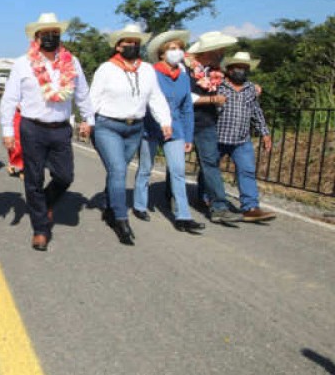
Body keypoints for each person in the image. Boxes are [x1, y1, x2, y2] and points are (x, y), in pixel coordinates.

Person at [0, 13, 94, 250]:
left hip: (61, 128)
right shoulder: (23, 64)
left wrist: (88, 119)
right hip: (32, 128)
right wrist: (7, 129)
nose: (51, 37)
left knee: (65, 177)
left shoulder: (72, 63)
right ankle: (40, 228)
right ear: (36, 37)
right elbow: (9, 99)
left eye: (55, 33)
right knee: (33, 179)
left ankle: (44, 203)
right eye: (45, 34)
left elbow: (82, 92)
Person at [89, 23, 172, 245]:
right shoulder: (106, 69)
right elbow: (93, 97)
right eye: (128, 42)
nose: (133, 46)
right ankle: (120, 218)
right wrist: (88, 122)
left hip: (135, 127)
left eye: (136, 43)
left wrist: (165, 121)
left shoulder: (146, 70)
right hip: (108, 126)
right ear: (118, 46)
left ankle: (108, 205)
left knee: (119, 170)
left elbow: (155, 97)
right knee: (117, 169)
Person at [133, 30, 205, 233]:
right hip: (151, 127)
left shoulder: (183, 77)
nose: (178, 52)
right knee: (145, 167)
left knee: (178, 172)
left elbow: (187, 108)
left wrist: (188, 135)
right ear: (162, 54)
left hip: (176, 129)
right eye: (172, 49)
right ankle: (140, 204)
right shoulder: (151, 73)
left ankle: (183, 216)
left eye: (180, 48)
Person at [185, 31, 243, 225]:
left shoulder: (216, 72)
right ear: (209, 51)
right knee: (176, 166)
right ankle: (174, 199)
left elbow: (234, 85)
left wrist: (254, 86)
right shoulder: (186, 70)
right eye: (220, 49)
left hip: (207, 123)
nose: (223, 53)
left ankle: (219, 206)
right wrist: (211, 99)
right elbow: (186, 97)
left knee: (210, 163)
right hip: (185, 121)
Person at [217, 52, 275, 222]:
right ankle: (207, 197)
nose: (241, 71)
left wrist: (264, 133)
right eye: (237, 68)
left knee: (247, 171)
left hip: (242, 139)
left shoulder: (251, 89)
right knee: (211, 170)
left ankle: (250, 207)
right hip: (217, 137)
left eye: (244, 68)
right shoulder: (218, 85)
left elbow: (256, 112)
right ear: (229, 69)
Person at [5, 108, 25, 178]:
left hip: (31, 116)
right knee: (16, 143)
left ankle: (23, 169)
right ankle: (12, 163)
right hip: (17, 114)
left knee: (27, 144)